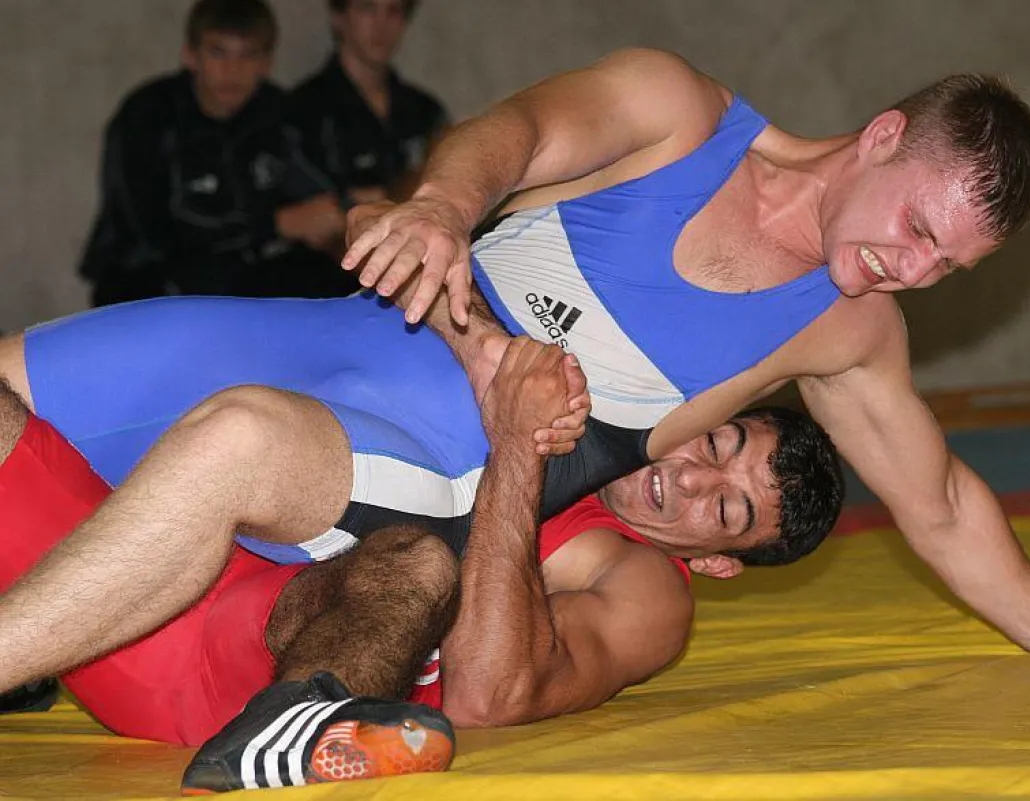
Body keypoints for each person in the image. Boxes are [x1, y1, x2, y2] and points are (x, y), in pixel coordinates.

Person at [343, 47, 1030, 658]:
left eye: (949, 267)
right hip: (350, 365)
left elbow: (943, 505)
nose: (917, 272)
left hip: (424, 502)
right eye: (919, 230)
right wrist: (447, 206)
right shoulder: (676, 113)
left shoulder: (850, 327)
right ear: (884, 135)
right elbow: (514, 133)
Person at [0, 337, 841, 791]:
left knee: (416, 562)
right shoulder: (581, 414)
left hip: (243, 669)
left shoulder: (649, 588)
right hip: (140, 581)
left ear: (720, 562)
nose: (690, 478)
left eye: (723, 509)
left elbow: (486, 692)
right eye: (718, 444)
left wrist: (517, 449)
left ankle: (293, 723)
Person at [77, 0, 349, 304]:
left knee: (333, 285)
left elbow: (320, 196)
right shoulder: (148, 116)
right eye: (218, 52)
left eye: (248, 55)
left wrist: (339, 215)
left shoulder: (279, 115)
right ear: (190, 56)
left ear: (266, 64)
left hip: (241, 279)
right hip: (146, 281)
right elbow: (152, 234)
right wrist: (276, 224)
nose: (232, 71)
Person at [278, 0, 448, 297]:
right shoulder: (303, 110)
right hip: (331, 290)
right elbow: (324, 222)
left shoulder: (425, 110)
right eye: (368, 9)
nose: (381, 26)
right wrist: (408, 188)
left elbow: (452, 196)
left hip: (423, 280)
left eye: (393, 11)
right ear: (339, 18)